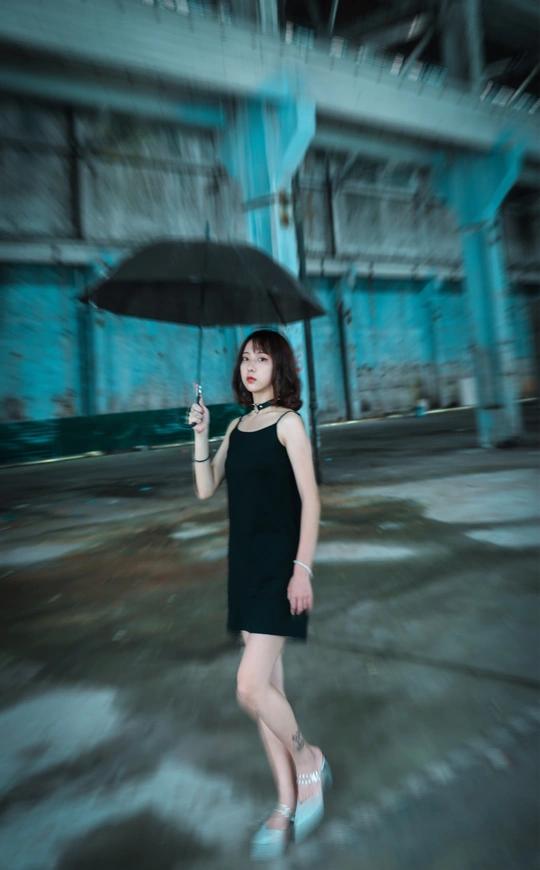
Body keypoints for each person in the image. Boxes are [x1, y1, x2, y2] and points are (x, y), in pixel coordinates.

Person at [188, 329, 331, 861]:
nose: (250, 366)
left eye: (262, 358)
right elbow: (206, 487)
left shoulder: (289, 424)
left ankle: (309, 759)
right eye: (246, 358)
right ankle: (286, 802)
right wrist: (202, 433)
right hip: (245, 571)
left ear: (279, 367)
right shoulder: (236, 427)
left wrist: (302, 570)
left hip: (279, 572)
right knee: (269, 689)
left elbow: (311, 502)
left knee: (249, 687)